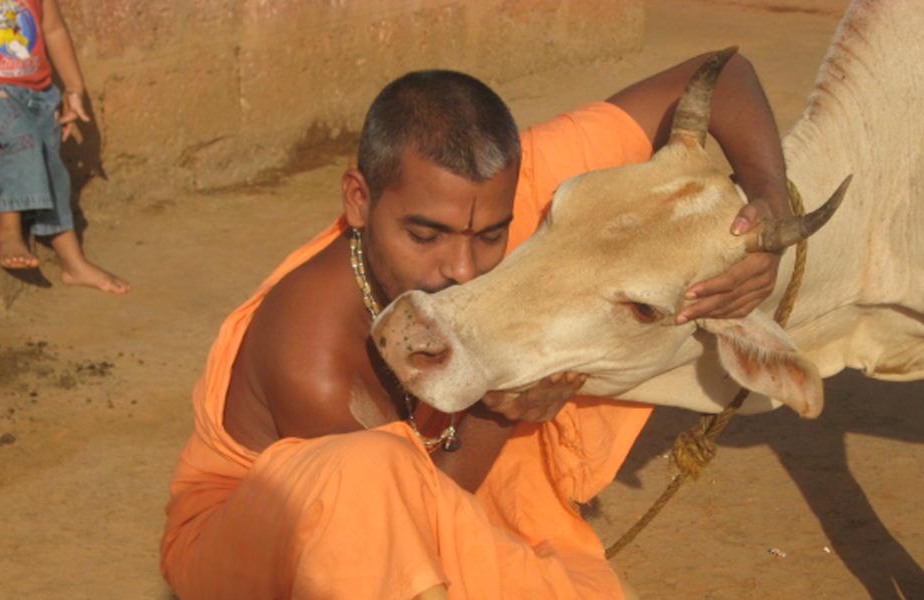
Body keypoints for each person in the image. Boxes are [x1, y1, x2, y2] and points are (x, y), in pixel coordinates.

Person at [161, 48, 790, 599]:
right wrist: (502, 411)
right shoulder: (311, 351)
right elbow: (411, 523)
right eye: (424, 235)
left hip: (417, 508)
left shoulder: (511, 183)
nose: (460, 269)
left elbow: (720, 73)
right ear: (359, 200)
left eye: (491, 236)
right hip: (255, 546)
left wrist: (769, 212)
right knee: (369, 471)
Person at [0, 0, 130, 293]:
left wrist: (74, 89)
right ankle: (7, 231)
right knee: (22, 137)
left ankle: (73, 262)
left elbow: (53, 30)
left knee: (53, 167)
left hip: (38, 95)